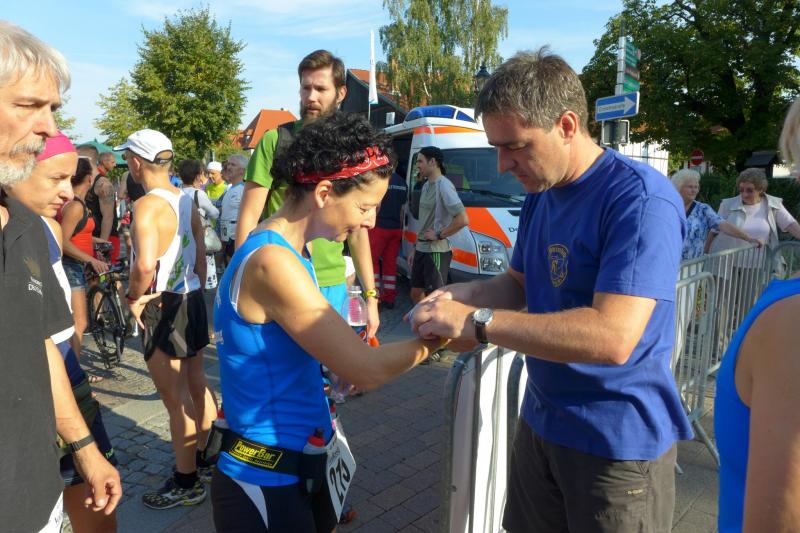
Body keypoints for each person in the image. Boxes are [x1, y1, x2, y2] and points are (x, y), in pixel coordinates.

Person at [409, 48, 693, 532]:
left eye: (515, 146)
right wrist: (458, 299)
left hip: (615, 445)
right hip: (542, 421)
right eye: (496, 147)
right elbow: (517, 284)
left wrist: (478, 324)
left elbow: (613, 337)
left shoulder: (639, 199)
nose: (503, 164)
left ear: (566, 125)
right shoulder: (541, 193)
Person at [211, 112, 444, 532]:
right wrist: (442, 338)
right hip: (266, 478)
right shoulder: (272, 262)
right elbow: (367, 369)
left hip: (292, 465)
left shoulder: (291, 251)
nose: (370, 221)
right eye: (365, 207)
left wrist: (334, 366)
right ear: (323, 193)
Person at [0, 20, 121, 531]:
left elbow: (41, 343)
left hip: (37, 498)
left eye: (53, 108)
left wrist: (86, 448)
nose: (50, 127)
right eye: (30, 105)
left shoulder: (25, 226)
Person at [235, 49, 381, 339]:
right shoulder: (276, 141)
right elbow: (249, 218)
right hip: (282, 277)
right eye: (305, 88)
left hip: (332, 282)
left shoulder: (351, 150)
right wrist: (240, 281)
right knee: (285, 362)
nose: (311, 97)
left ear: (340, 93)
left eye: (321, 89)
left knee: (335, 365)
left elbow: (358, 230)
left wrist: (371, 296)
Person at [119, 129, 218, 509]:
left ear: (136, 162)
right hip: (190, 297)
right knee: (198, 383)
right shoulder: (185, 198)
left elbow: (144, 264)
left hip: (162, 304)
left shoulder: (146, 206)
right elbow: (200, 255)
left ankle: (186, 481)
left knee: (176, 400)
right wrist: (191, 286)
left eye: (127, 158)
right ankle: (206, 458)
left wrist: (133, 297)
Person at [714, 97, 800, 532]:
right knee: (732, 322)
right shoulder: (728, 204)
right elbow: (717, 228)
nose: (746, 192)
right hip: (731, 271)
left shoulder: (789, 323)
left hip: (757, 274)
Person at [60, 157, 110, 363]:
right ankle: (74, 373)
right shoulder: (75, 206)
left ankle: (72, 370)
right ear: (89, 178)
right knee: (79, 323)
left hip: (78, 264)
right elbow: (62, 241)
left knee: (78, 322)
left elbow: (78, 232)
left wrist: (98, 241)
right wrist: (91, 259)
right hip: (72, 265)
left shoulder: (79, 204)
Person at [409, 146, 468, 305]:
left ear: (432, 162)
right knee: (416, 293)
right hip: (421, 249)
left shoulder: (444, 185)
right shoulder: (426, 185)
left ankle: (436, 322)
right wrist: (416, 247)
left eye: (420, 161)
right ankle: (423, 320)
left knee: (435, 298)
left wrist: (438, 234)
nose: (417, 166)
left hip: (436, 251)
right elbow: (424, 221)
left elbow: (463, 219)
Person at [671, 168, 762, 261]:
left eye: (696, 187)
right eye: (690, 187)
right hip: (668, 261)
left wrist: (749, 238)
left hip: (691, 265)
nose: (694, 190)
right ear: (679, 187)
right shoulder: (668, 208)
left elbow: (724, 225)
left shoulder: (703, 209)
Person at [708, 167, 800, 257]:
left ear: (761, 190)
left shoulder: (773, 204)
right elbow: (713, 232)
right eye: (741, 190)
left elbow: (791, 225)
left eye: (750, 190)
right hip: (730, 263)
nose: (744, 194)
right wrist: (704, 255)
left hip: (760, 263)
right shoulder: (727, 205)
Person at [369, 164, 408, 309]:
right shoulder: (403, 183)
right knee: (390, 264)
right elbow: (403, 210)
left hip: (379, 227)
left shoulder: (381, 180)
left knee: (372, 262)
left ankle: (376, 298)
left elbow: (377, 206)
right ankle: (390, 298)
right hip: (396, 229)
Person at [179, 159, 220, 289]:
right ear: (198, 176)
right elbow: (214, 213)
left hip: (181, 236)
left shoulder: (177, 191)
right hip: (198, 234)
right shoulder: (199, 194)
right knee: (202, 263)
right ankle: (202, 288)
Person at [85, 150, 121, 263]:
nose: (115, 165)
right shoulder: (89, 181)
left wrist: (102, 245)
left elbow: (108, 217)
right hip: (94, 238)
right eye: (113, 162)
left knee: (106, 271)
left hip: (105, 237)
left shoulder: (103, 184)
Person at [219, 154, 248, 265]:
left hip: (237, 238)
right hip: (226, 238)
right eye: (228, 164)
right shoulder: (228, 190)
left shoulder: (245, 190)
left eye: (233, 165)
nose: (229, 167)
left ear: (242, 170)